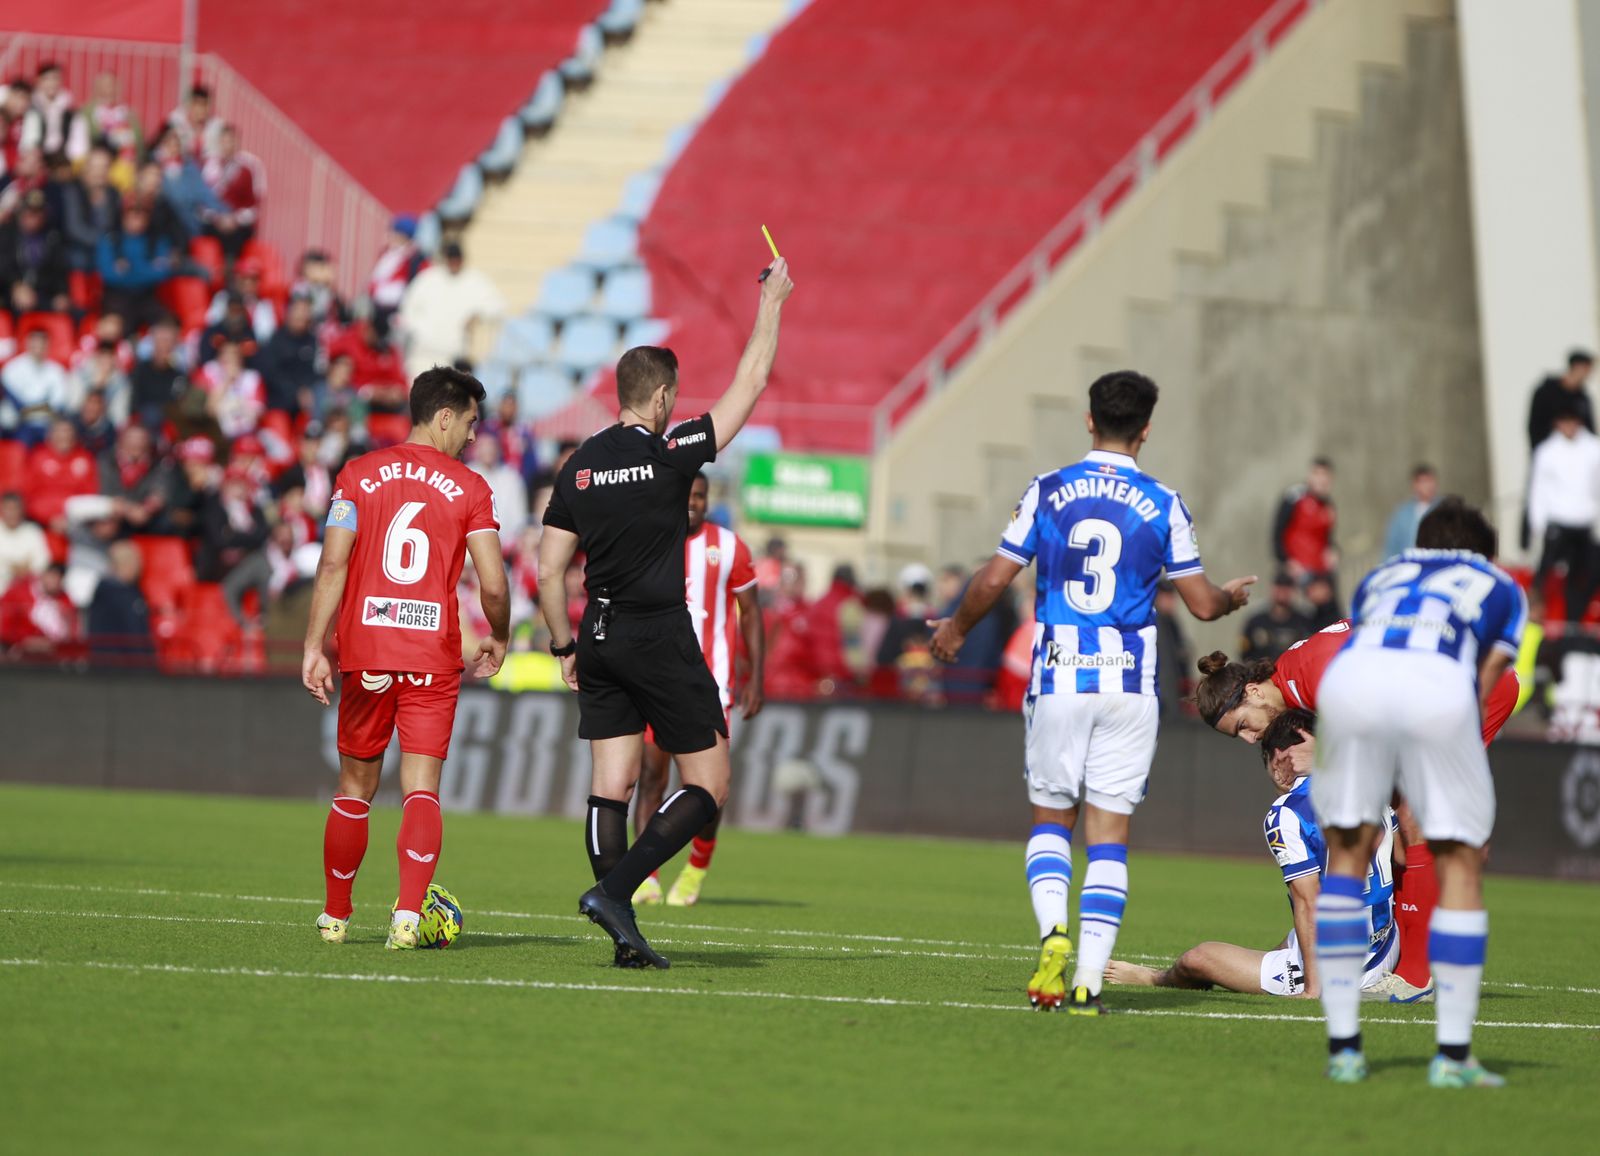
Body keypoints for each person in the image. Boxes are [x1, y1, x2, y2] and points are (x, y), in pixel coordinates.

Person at [927, 370, 1256, 1013]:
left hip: (1060, 676)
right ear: (1146, 430)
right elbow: (1201, 602)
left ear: (1088, 419)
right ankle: (1088, 979)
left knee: (1052, 821)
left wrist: (956, 631)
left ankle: (1054, 934)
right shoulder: (1163, 502)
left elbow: (994, 579)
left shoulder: (1048, 489)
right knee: (1109, 833)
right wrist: (1229, 598)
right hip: (1129, 685)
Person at [536, 257, 794, 969]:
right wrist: (771, 301)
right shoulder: (672, 452)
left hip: (597, 633)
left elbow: (550, 570)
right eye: (672, 398)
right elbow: (751, 382)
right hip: (658, 634)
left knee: (610, 786)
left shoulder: (579, 465)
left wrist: (563, 646)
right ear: (660, 399)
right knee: (709, 784)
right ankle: (616, 894)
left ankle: (623, 937)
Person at [1306, 499, 1524, 1086]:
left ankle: (1344, 1048)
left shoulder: (1381, 577)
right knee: (1461, 866)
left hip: (1351, 691)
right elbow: (1487, 678)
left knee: (1347, 858)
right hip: (1439, 689)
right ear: (1484, 553)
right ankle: (1452, 1058)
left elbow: (1366, 648)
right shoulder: (1501, 586)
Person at [301, 366, 509, 950]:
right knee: (421, 789)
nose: (472, 434)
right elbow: (493, 583)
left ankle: (335, 918)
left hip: (366, 649)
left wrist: (314, 645)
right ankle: (409, 917)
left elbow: (333, 563)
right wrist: (499, 634)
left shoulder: (356, 475)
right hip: (431, 656)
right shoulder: (470, 488)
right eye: (469, 421)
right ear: (444, 417)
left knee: (354, 787)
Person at [633, 471, 764, 907]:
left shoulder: (729, 547)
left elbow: (751, 613)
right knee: (651, 779)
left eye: (701, 496)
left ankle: (695, 870)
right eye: (687, 494)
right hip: (655, 685)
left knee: (709, 790)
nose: (693, 502)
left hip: (712, 689)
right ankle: (646, 877)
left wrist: (756, 676)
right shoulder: (651, 542)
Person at [1528, 396, 1600, 624]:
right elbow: (1538, 490)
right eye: (1564, 421)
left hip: (1584, 524)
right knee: (1544, 574)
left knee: (1585, 574)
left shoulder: (1593, 449)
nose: (1569, 426)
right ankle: (1533, 616)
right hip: (1558, 523)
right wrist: (1538, 524)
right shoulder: (1547, 451)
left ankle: (1573, 622)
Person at [396, 241, 505, 379]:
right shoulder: (428, 279)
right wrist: (420, 331)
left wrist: (478, 316)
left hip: (455, 356)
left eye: (457, 260)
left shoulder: (475, 280)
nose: (454, 264)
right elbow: (407, 308)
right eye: (451, 259)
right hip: (425, 354)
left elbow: (497, 306)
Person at [200, 124, 265, 266]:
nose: (228, 145)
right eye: (224, 141)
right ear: (219, 143)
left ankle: (230, 270)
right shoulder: (207, 167)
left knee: (236, 236)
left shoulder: (248, 169)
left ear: (238, 143)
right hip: (213, 221)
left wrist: (235, 219)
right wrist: (217, 219)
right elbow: (201, 202)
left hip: (237, 224)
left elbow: (254, 207)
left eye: (231, 141)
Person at [1272, 457, 1338, 584]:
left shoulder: (1329, 506)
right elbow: (1277, 533)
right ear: (1309, 476)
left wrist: (1334, 552)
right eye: (1317, 474)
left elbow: (1327, 539)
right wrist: (1286, 562)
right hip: (1297, 573)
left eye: (1325, 475)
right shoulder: (1294, 496)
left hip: (1321, 573)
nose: (1321, 479)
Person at [1, 328, 68, 447]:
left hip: (47, 425)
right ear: (27, 343)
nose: (38, 347)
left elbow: (57, 406)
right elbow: (13, 403)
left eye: (42, 343)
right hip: (18, 424)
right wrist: (39, 407)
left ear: (48, 345)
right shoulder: (12, 368)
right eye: (35, 342)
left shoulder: (57, 371)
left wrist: (27, 409)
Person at [87, 539, 153, 661]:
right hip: (122, 666)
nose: (139, 566)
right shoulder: (118, 596)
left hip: (114, 665)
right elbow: (134, 637)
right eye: (134, 561)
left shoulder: (120, 592)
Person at [1527, 348, 1595, 450]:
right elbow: (1535, 425)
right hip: (1550, 450)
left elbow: (1589, 430)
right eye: (1587, 369)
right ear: (1577, 367)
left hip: (1577, 452)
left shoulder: (1582, 398)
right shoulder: (1546, 393)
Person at [1239, 571, 1312, 664]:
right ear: (1272, 589)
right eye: (1279, 586)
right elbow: (1245, 654)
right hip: (1261, 672)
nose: (1282, 591)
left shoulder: (1304, 622)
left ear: (1293, 591)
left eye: (1286, 588)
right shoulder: (1255, 622)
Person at [1383, 464, 1438, 560]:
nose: (1428, 486)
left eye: (1430, 481)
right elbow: (1391, 546)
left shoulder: (1443, 509)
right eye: (1423, 482)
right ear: (1415, 485)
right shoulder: (1402, 513)